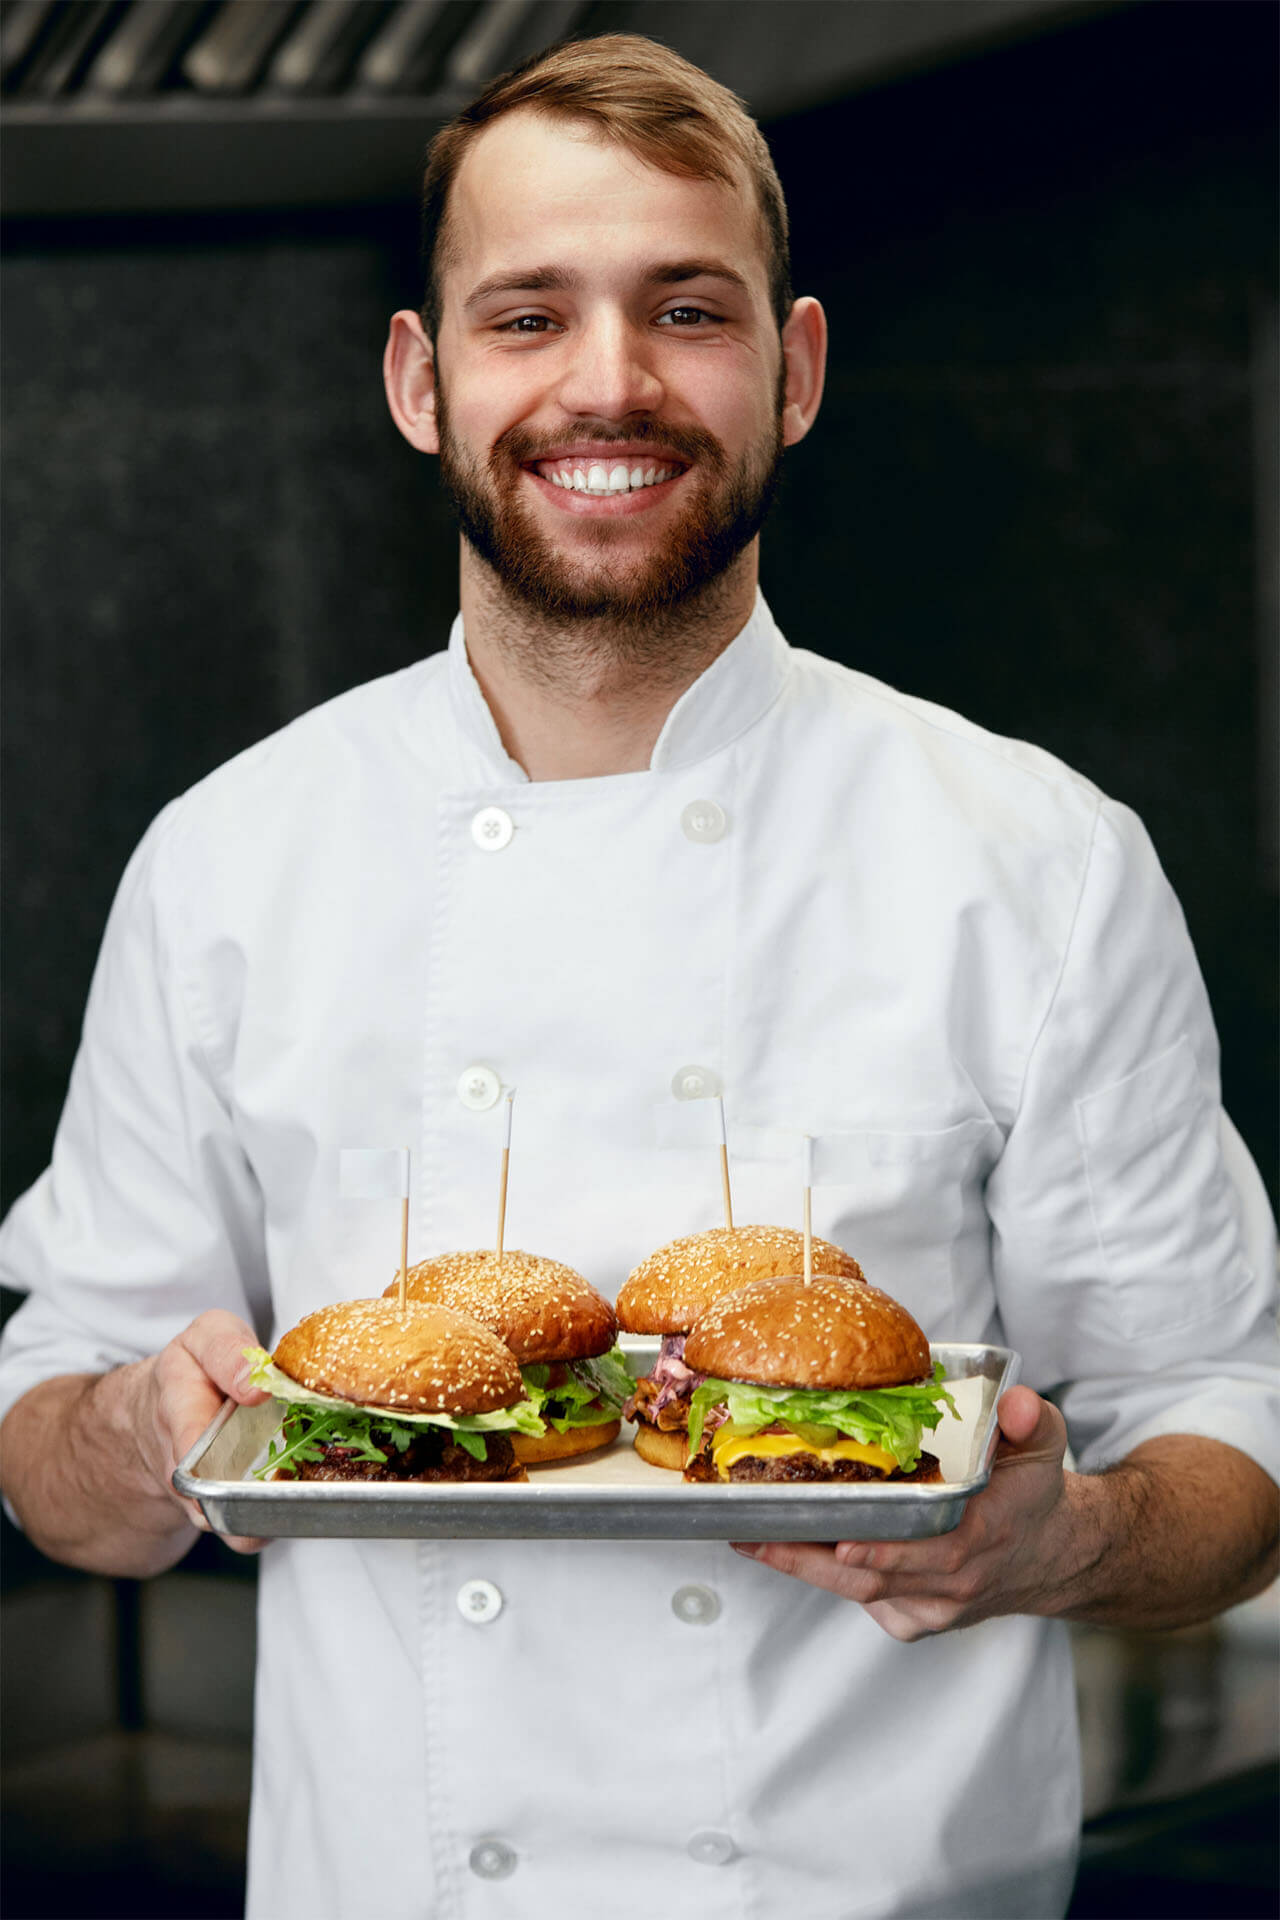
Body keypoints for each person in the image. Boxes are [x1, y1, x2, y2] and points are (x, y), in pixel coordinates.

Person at [1, 32, 1276, 1920]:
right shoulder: (229, 862)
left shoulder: (1036, 860)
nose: (609, 383)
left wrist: (1064, 1540)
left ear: (798, 366)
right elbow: (52, 1463)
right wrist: (139, 1433)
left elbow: (1226, 1433)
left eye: (687, 309)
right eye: (529, 316)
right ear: (422, 384)